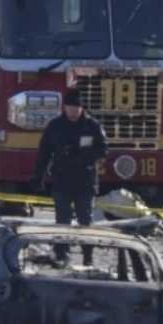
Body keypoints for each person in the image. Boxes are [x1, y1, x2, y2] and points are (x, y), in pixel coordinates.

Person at [31, 87, 108, 265]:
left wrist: (81, 155)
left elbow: (103, 148)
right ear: (64, 107)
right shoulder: (55, 127)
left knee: (85, 221)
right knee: (62, 221)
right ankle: (62, 255)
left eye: (77, 108)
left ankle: (87, 256)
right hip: (61, 181)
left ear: (82, 108)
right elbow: (44, 153)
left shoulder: (92, 125)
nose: (74, 111)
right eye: (70, 107)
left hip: (84, 182)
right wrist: (38, 176)